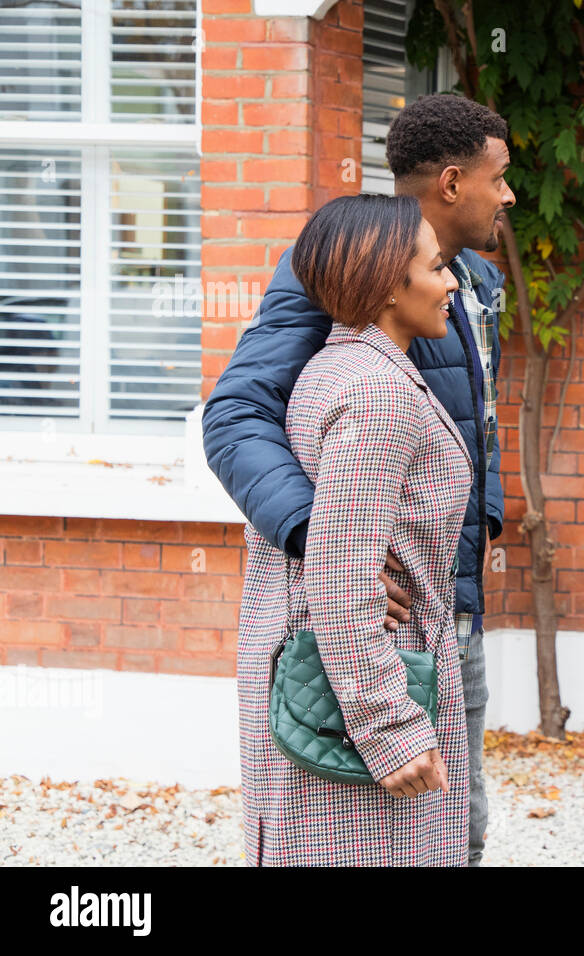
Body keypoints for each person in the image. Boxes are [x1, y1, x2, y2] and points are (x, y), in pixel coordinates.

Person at [204, 95, 513, 866]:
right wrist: (326, 539)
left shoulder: (471, 283)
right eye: (498, 177)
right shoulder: (339, 274)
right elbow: (236, 413)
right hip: (370, 616)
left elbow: (478, 426)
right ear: (450, 182)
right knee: (365, 829)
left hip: (447, 602)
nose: (508, 196)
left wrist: (485, 527)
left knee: (452, 828)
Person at [236, 193, 471, 864]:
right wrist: (388, 726)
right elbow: (341, 572)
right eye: (435, 267)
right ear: (387, 284)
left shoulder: (338, 368)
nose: (451, 281)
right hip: (360, 693)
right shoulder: (377, 392)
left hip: (329, 680)